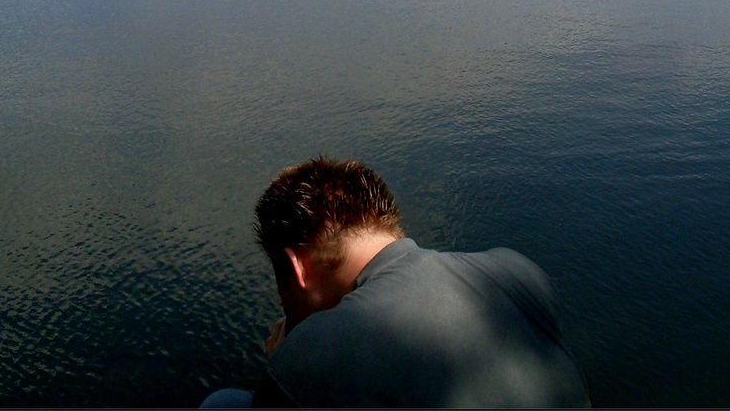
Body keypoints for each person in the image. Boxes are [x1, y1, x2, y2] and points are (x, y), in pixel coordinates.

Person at [201, 158, 590, 408]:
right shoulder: (515, 272)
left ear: (294, 268)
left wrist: (284, 365)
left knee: (224, 404)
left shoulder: (310, 353)